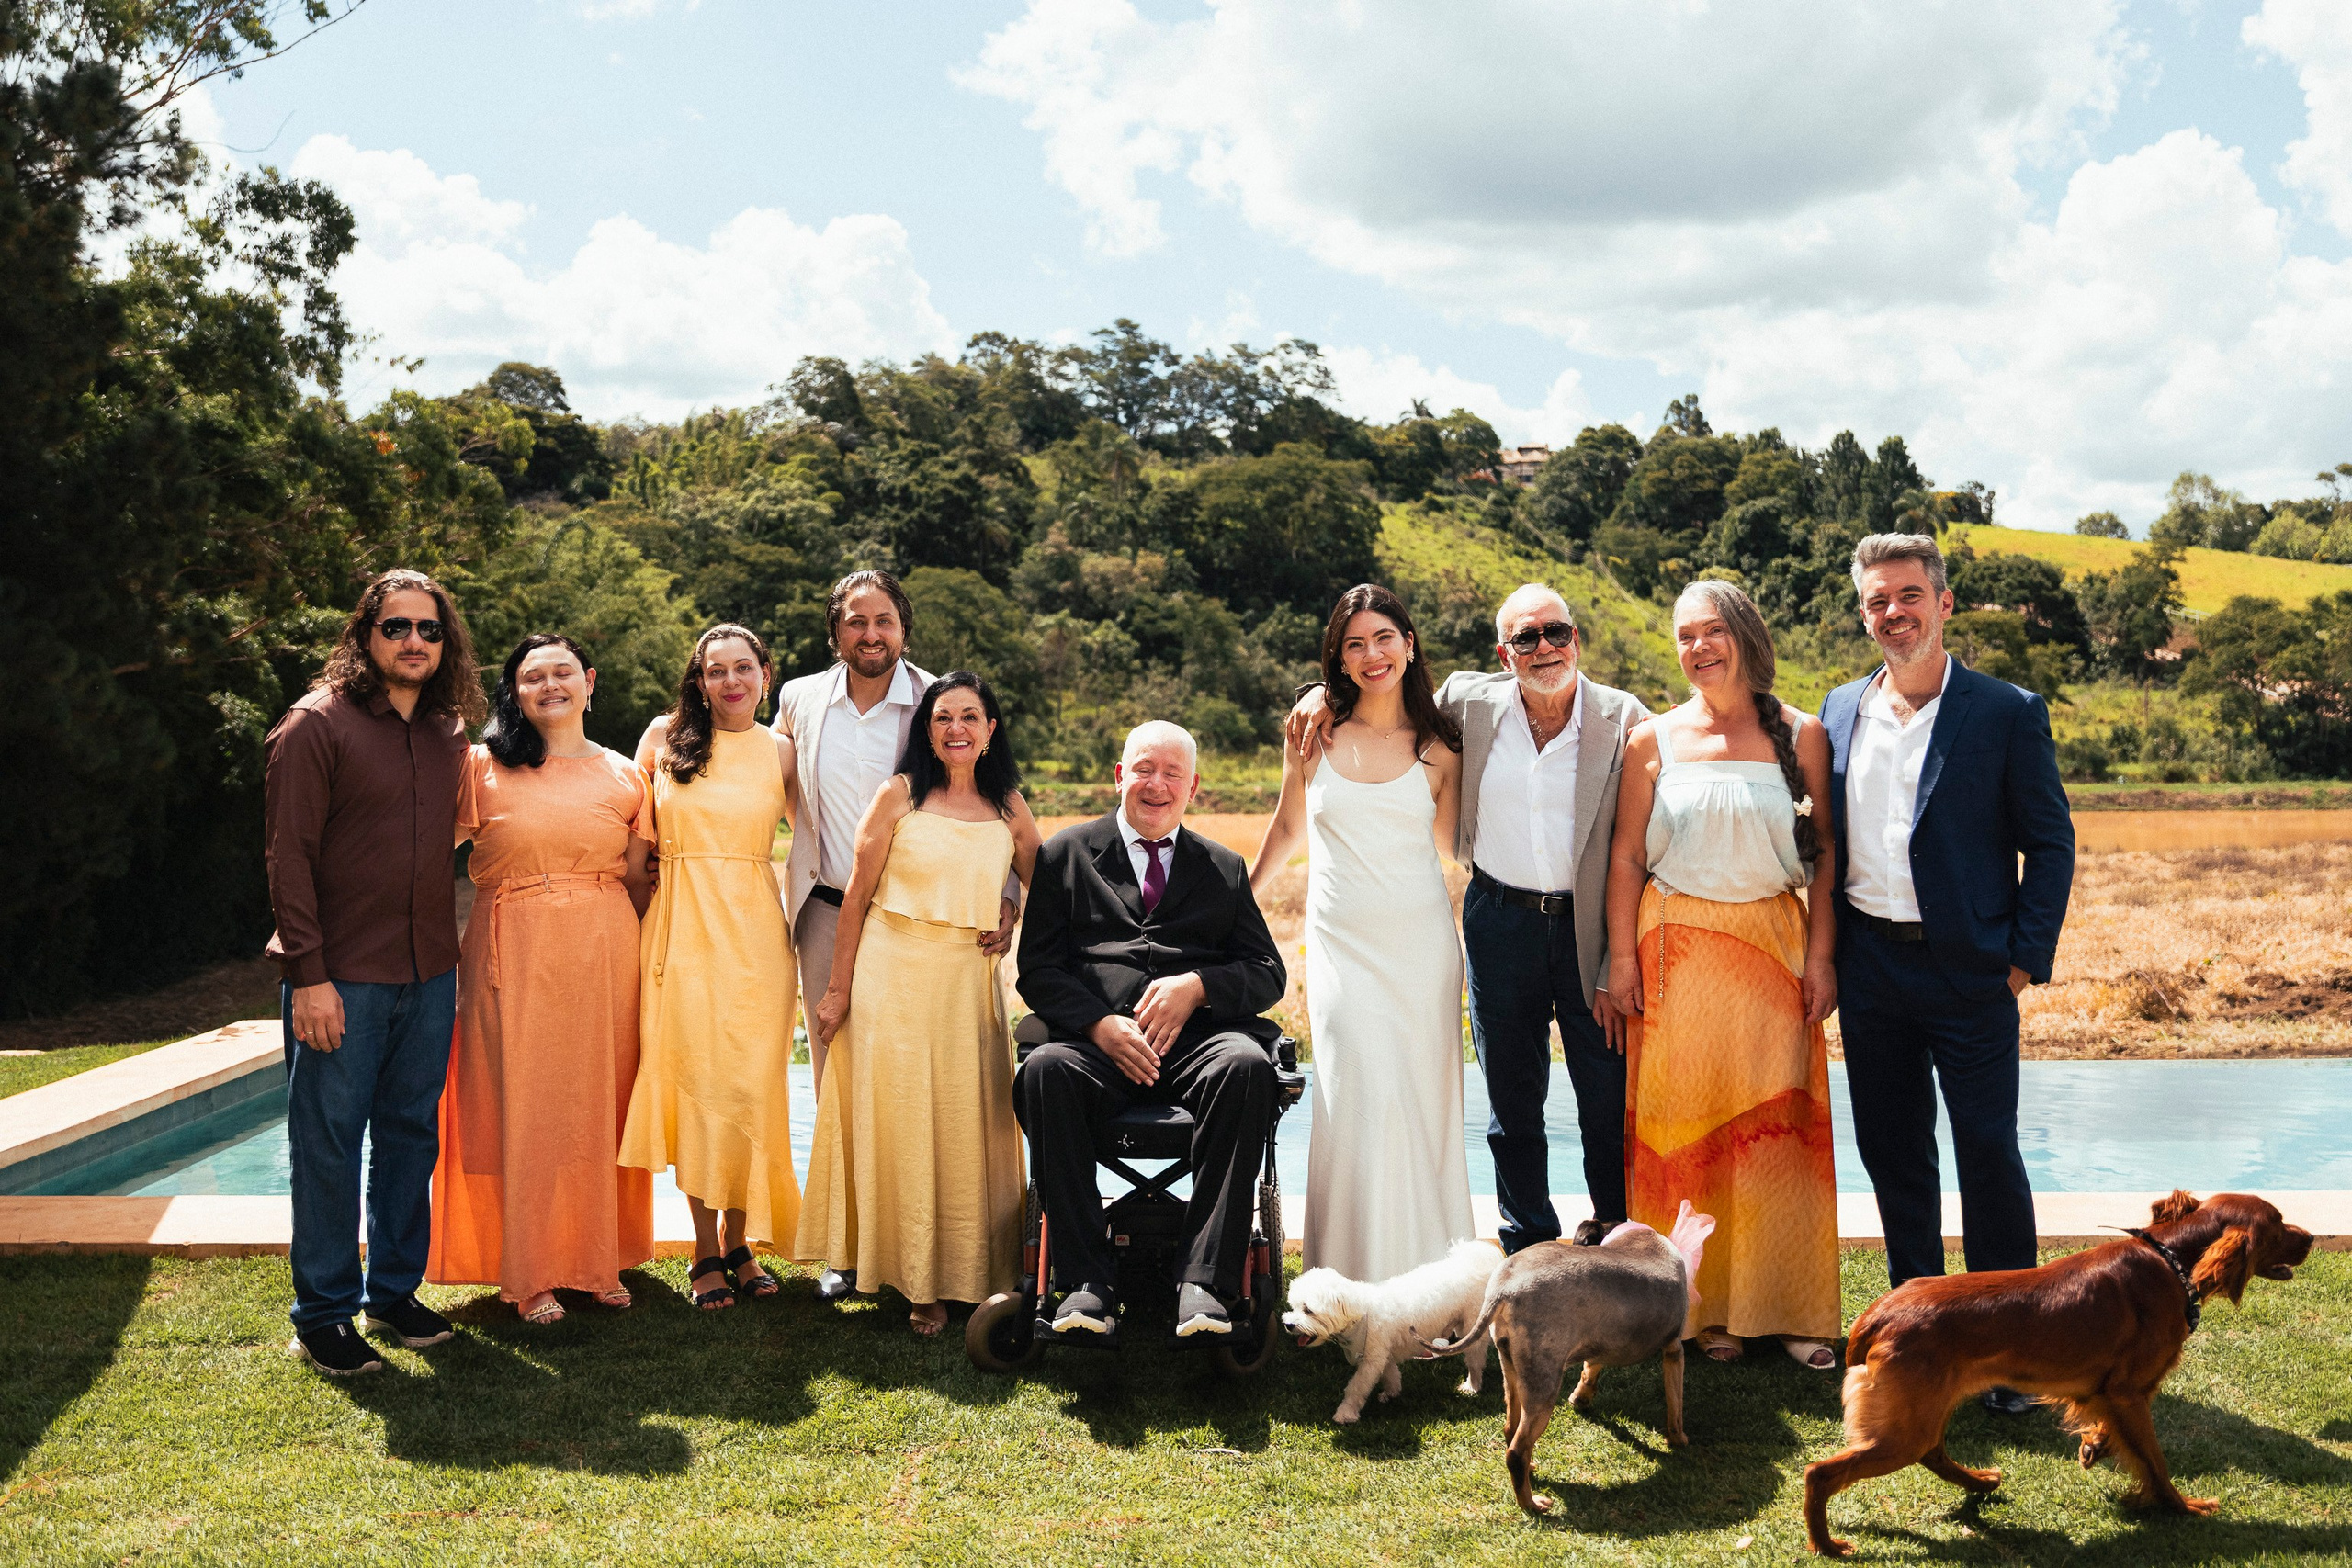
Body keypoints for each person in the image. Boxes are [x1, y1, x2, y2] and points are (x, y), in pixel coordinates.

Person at [1290, 584, 1650, 1251]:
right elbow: (1383, 691)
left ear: (1577, 637)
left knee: (1605, 1093)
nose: (1544, 648)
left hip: (1590, 930)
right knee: (1512, 1103)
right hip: (1498, 919)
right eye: (1526, 637)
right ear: (1502, 652)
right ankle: (1527, 1242)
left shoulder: (1626, 718)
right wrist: (1320, 694)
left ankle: (1616, 1237)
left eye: (1556, 632)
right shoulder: (1468, 704)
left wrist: (1624, 951)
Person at [1823, 533, 2074, 1416]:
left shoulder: (2005, 710)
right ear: (1864, 614)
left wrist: (2018, 964)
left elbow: (2049, 843)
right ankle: (1919, 1335)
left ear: (1944, 601)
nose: (1893, 613)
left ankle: (2012, 1357)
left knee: (1989, 1158)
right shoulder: (1841, 707)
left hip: (1972, 974)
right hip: (1872, 967)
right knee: (1895, 1155)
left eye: (1907, 596)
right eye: (1876, 602)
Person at [1603, 581, 1840, 1369]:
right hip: (1675, 955)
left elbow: (1826, 858)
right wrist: (1622, 959)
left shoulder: (1802, 735)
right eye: (1684, 636)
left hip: (1773, 948)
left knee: (1779, 1133)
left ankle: (1791, 1309)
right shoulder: (1651, 739)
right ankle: (1703, 1312)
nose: (1698, 648)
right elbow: (1628, 856)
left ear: (1744, 633)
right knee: (1687, 1137)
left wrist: (1821, 956)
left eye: (1712, 631)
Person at [771, 570, 1018, 1303]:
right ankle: (853, 1246)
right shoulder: (798, 698)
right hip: (829, 907)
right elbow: (775, 778)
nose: (869, 634)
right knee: (841, 1078)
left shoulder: (943, 700)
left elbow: (991, 794)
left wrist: (1003, 895)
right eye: (855, 621)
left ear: (904, 628)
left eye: (883, 621)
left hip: (934, 923)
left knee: (942, 1089)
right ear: (834, 630)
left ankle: (937, 1240)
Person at [265, 568, 481, 1375]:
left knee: (408, 1138)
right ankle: (322, 1311)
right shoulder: (314, 725)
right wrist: (309, 976)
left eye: (429, 629)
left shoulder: (446, 731)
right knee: (326, 1145)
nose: (414, 641)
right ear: (365, 635)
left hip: (428, 972)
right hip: (341, 976)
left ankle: (391, 1290)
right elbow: (289, 860)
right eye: (397, 627)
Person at [1015, 721, 1287, 1339]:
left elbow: (1268, 972)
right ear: (1120, 775)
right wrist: (1097, 1021)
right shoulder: (1064, 855)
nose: (1156, 784)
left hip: (1193, 1051)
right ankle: (1085, 1282)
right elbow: (1039, 968)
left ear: (1192, 785)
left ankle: (1204, 1282)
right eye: (1143, 768)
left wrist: (1198, 987)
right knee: (1044, 1069)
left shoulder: (1222, 866)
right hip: (1094, 1051)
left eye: (1171, 773)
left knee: (1245, 1065)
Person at [796, 672, 1043, 1335]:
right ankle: (918, 1282)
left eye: (969, 716)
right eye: (942, 718)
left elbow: (1042, 884)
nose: (956, 728)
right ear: (926, 732)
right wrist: (838, 990)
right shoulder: (899, 794)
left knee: (968, 1124)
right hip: (890, 978)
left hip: (968, 986)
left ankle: (973, 1272)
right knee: (903, 1126)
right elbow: (855, 897)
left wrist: (1013, 907)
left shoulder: (1011, 807)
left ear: (991, 729)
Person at [428, 634, 657, 1324]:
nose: (550, 685)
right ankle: (529, 1272)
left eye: (563, 672)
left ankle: (600, 1258)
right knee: (526, 1105)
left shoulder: (626, 774)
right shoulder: (481, 767)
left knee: (599, 1102)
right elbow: (418, 852)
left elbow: (644, 877)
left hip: (605, 947)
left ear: (589, 681)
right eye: (533, 677)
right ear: (516, 691)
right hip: (514, 947)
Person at [1251, 584, 1472, 1282]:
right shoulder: (1312, 734)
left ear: (1410, 644)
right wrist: (1234, 903)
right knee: (1353, 1100)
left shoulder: (1442, 747)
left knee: (1421, 1107)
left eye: (1384, 638)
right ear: (1338, 661)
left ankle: (1434, 1286)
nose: (1372, 654)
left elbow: (1457, 848)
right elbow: (1289, 828)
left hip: (1422, 951)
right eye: (1354, 643)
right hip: (1343, 953)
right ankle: (1346, 1287)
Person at [619, 624, 800, 1312]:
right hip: (680, 932)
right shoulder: (662, 738)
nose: (730, 681)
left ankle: (742, 1238)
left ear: (765, 674)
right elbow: (632, 844)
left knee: (752, 1089)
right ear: (698, 679)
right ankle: (702, 1246)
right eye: (715, 669)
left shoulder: (782, 750)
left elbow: (823, 838)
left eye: (743, 668)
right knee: (694, 1086)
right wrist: (647, 911)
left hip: (757, 936)